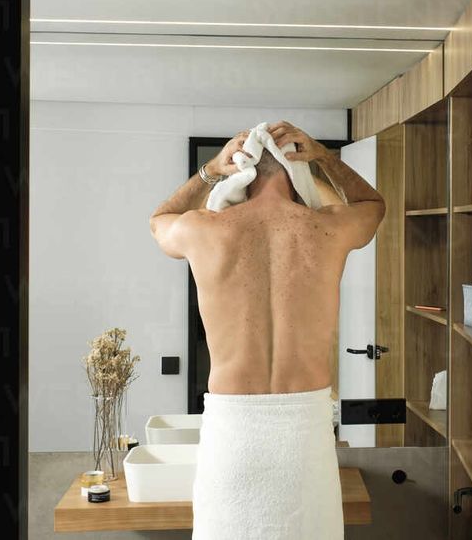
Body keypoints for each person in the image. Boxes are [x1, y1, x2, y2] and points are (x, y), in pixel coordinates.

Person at [148, 120, 385, 540]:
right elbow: (372, 204)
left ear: (240, 177)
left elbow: (159, 219)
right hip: (304, 436)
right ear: (297, 178)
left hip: (231, 434)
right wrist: (323, 157)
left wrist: (210, 171)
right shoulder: (328, 228)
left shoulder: (204, 229)